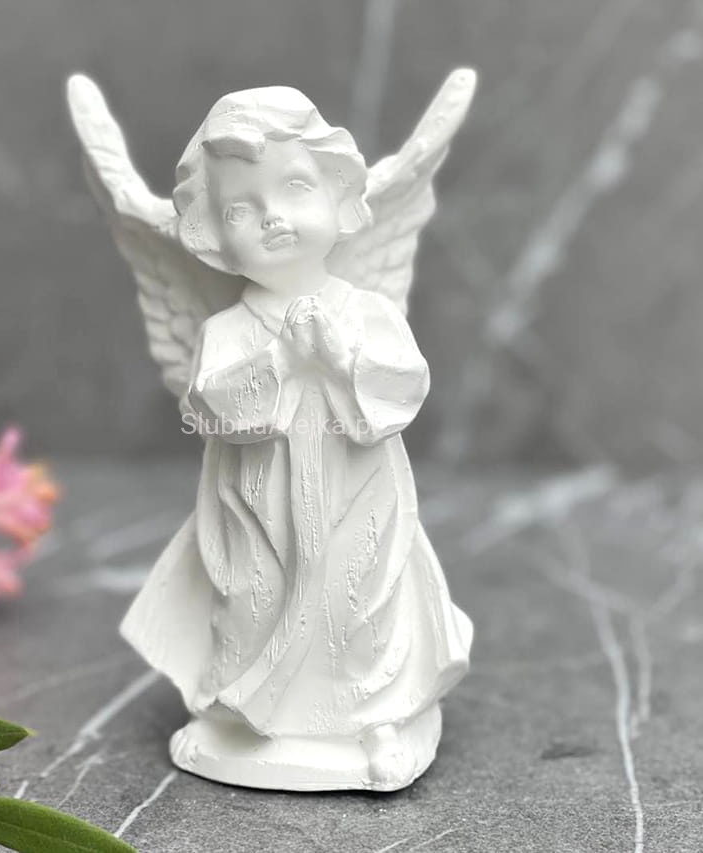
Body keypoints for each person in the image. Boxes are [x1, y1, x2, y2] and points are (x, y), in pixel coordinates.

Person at [121, 86, 472, 791]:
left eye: (295, 188)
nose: (272, 217)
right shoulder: (227, 329)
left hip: (356, 498)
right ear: (213, 235)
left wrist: (341, 358)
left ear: (340, 195)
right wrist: (280, 360)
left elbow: (402, 389)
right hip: (257, 510)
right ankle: (237, 718)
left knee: (356, 610)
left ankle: (373, 722)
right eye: (239, 209)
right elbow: (213, 406)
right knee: (250, 604)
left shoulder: (365, 311)